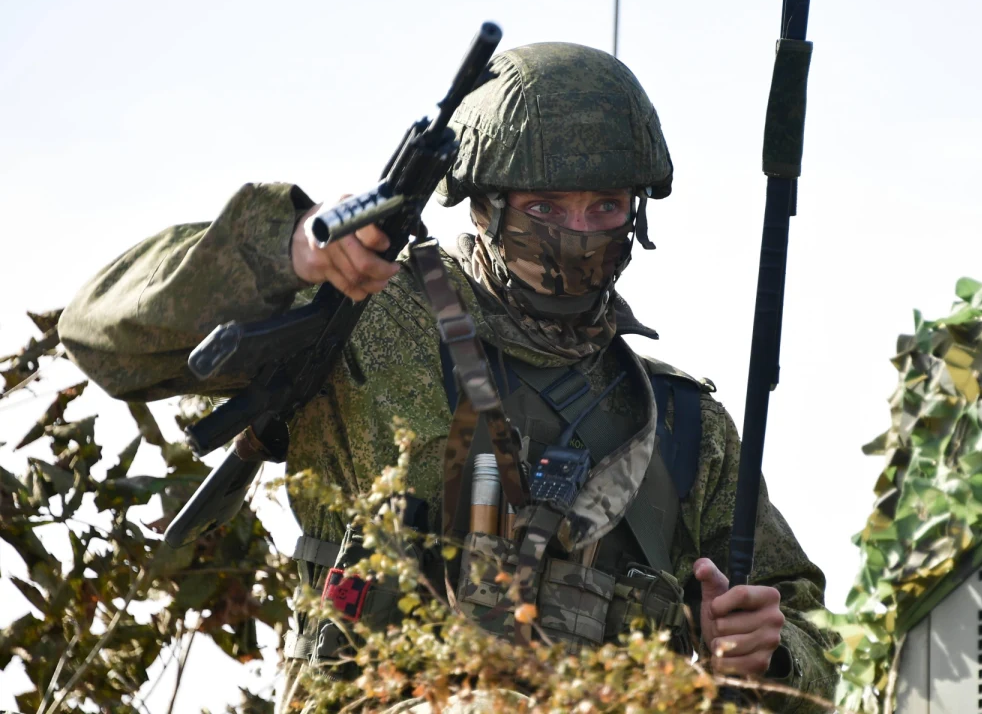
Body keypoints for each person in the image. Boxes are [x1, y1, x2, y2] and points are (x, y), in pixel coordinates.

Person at [58, 42, 837, 711]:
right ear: (485, 205)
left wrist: (766, 649)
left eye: (605, 205)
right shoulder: (364, 314)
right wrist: (287, 250)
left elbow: (806, 635)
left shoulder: (678, 423)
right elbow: (102, 333)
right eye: (547, 204)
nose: (580, 231)